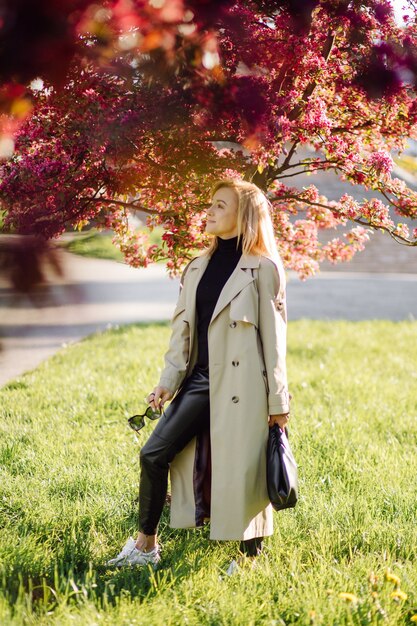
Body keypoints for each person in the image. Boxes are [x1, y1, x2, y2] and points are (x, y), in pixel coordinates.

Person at [106, 178, 291, 573]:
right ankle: (146, 546)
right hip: (200, 382)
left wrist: (279, 403)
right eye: (210, 204)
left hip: (244, 388)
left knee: (244, 468)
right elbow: (182, 334)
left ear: (243, 217)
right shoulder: (197, 266)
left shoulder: (263, 270)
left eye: (220, 206)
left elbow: (275, 342)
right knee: (154, 454)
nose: (208, 211)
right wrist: (167, 383)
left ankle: (250, 558)